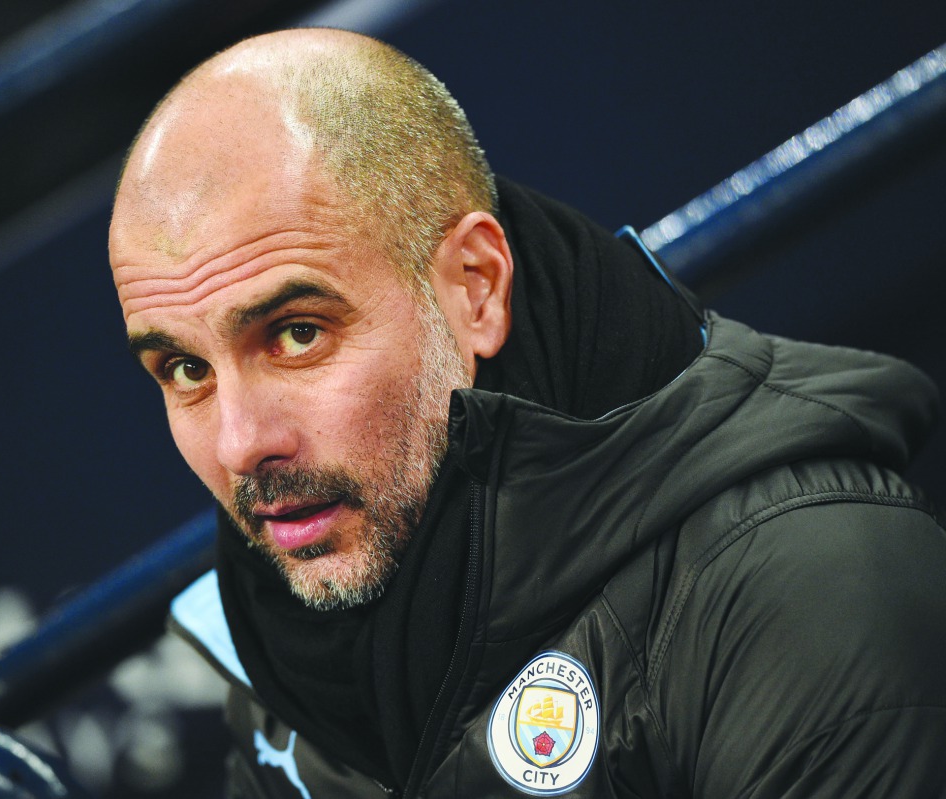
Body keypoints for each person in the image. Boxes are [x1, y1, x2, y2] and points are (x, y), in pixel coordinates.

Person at [108, 27, 946, 798]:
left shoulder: (808, 587)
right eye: (184, 367)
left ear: (474, 287)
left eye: (296, 333)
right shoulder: (277, 618)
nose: (242, 441)